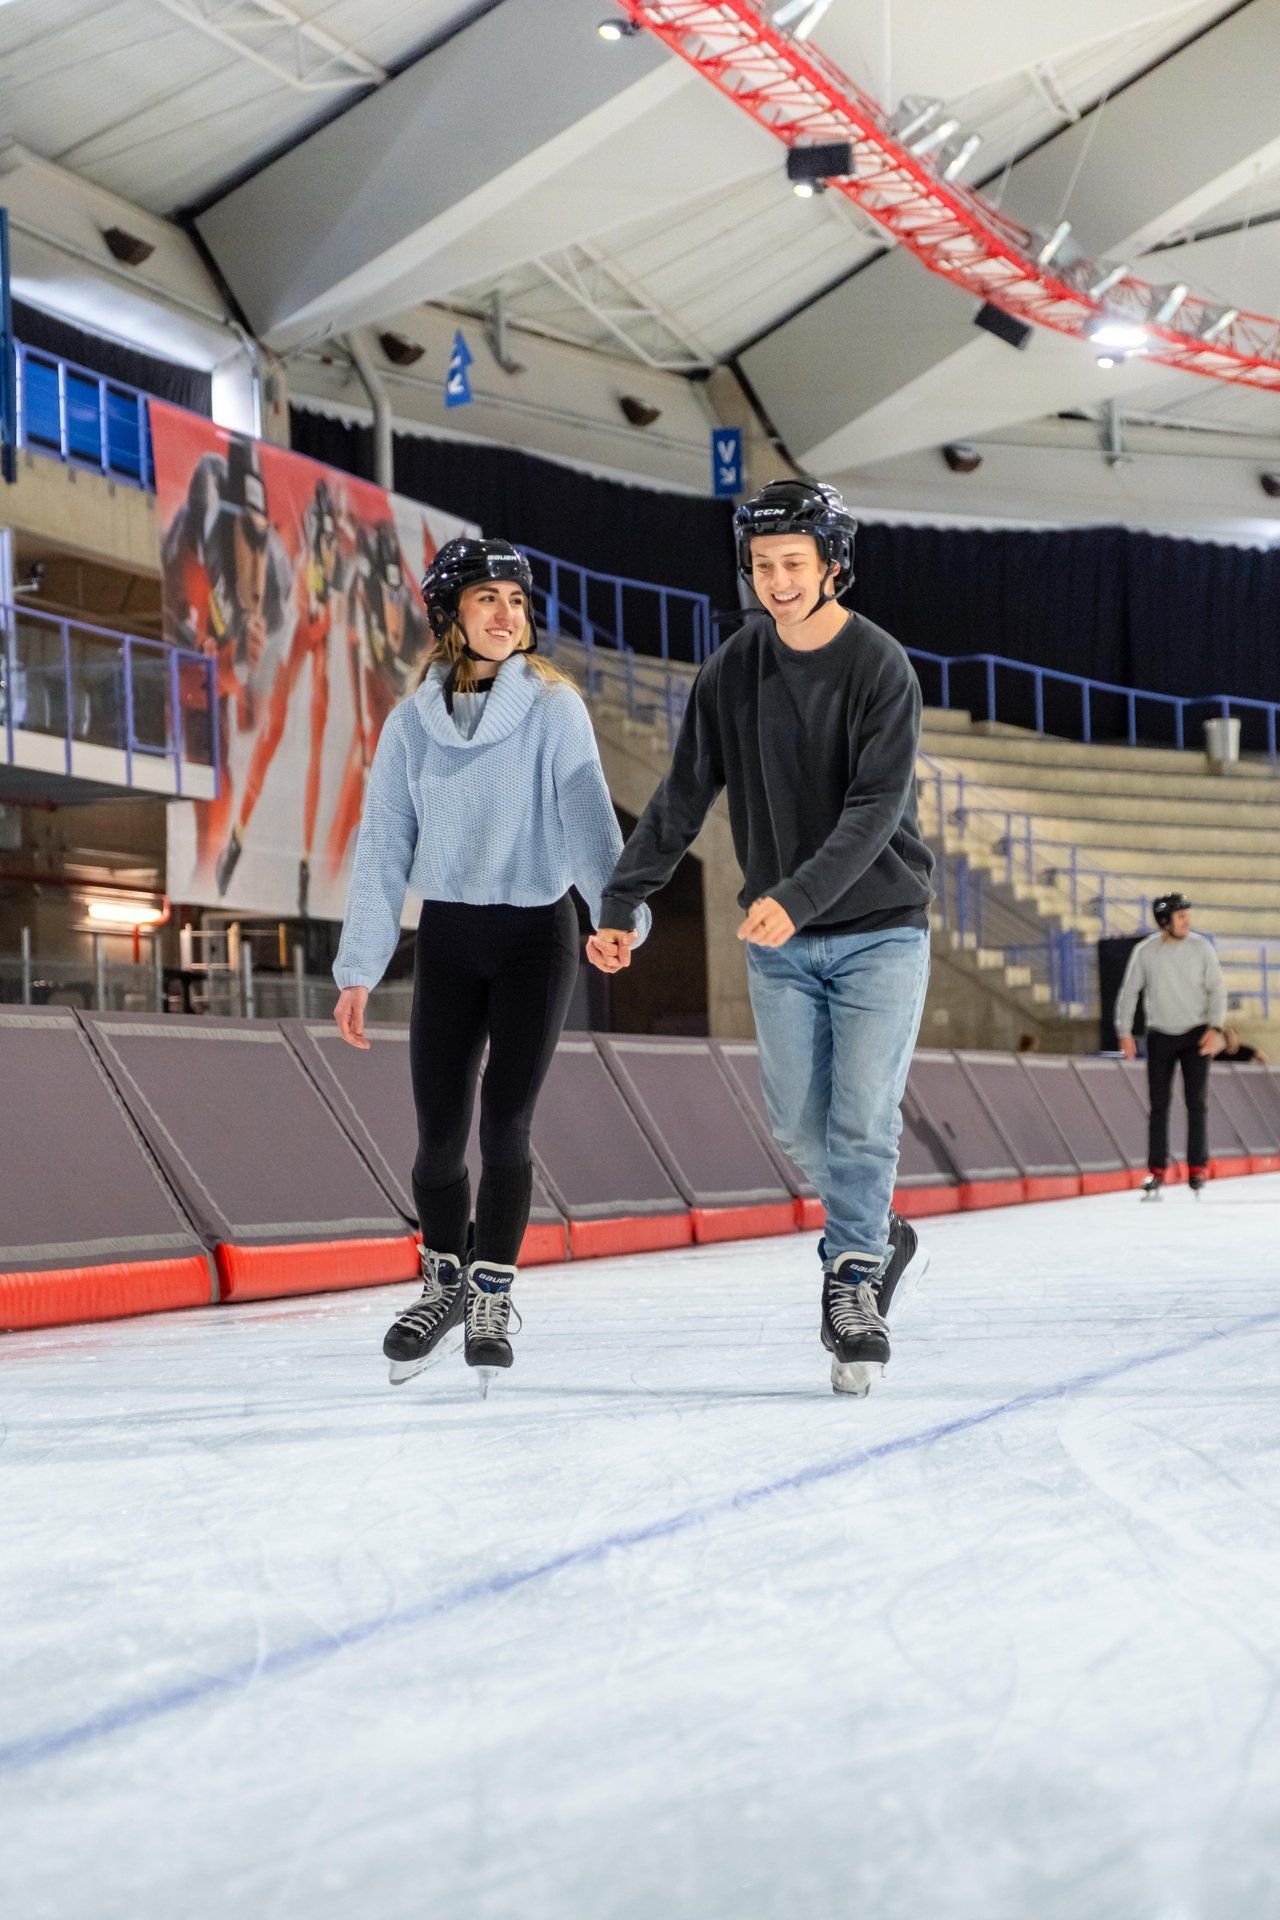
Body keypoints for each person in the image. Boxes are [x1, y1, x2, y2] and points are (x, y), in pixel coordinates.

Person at [591, 477, 934, 1396]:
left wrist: (797, 892)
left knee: (861, 1118)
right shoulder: (734, 668)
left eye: (793, 563)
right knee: (796, 1119)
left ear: (832, 567)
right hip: (781, 942)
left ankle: (853, 1276)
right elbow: (682, 794)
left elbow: (874, 811)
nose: (776, 580)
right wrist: (625, 901)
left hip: (878, 931)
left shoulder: (880, 666)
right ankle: (878, 1231)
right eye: (762, 564)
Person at [331, 536, 649, 1390]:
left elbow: (589, 821)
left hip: (533, 940)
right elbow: (383, 846)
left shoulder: (553, 709)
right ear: (450, 616)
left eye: (516, 599)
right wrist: (359, 965)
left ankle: (491, 1293)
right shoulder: (410, 726)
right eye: (486, 599)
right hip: (448, 938)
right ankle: (441, 1283)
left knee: (504, 1124)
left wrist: (618, 916)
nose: (506, 614)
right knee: (437, 1138)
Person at [215, 477, 350, 912]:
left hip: (316, 634)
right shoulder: (301, 551)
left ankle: (306, 864)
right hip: (297, 634)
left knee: (314, 740)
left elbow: (325, 616)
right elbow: (293, 610)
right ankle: (237, 838)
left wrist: (322, 606)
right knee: (272, 734)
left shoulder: (331, 564)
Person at [162, 436, 292, 882]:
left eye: (263, 539)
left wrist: (244, 672)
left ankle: (218, 855)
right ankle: (198, 868)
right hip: (185, 625)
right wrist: (225, 665)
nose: (255, 569)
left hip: (228, 644)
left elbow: (256, 704)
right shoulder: (200, 534)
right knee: (198, 737)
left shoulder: (274, 588)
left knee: (257, 728)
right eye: (248, 538)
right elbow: (188, 675)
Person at [1114, 892, 1226, 1199]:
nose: (1187, 921)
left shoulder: (1202, 948)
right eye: (1180, 916)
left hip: (1196, 1035)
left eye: (1188, 915)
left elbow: (1217, 989)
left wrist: (1215, 1027)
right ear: (1165, 921)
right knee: (1159, 1105)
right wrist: (1124, 1031)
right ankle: (1157, 1170)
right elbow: (1129, 992)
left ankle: (1197, 1168)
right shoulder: (1146, 951)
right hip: (1160, 1034)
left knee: (1197, 1103)